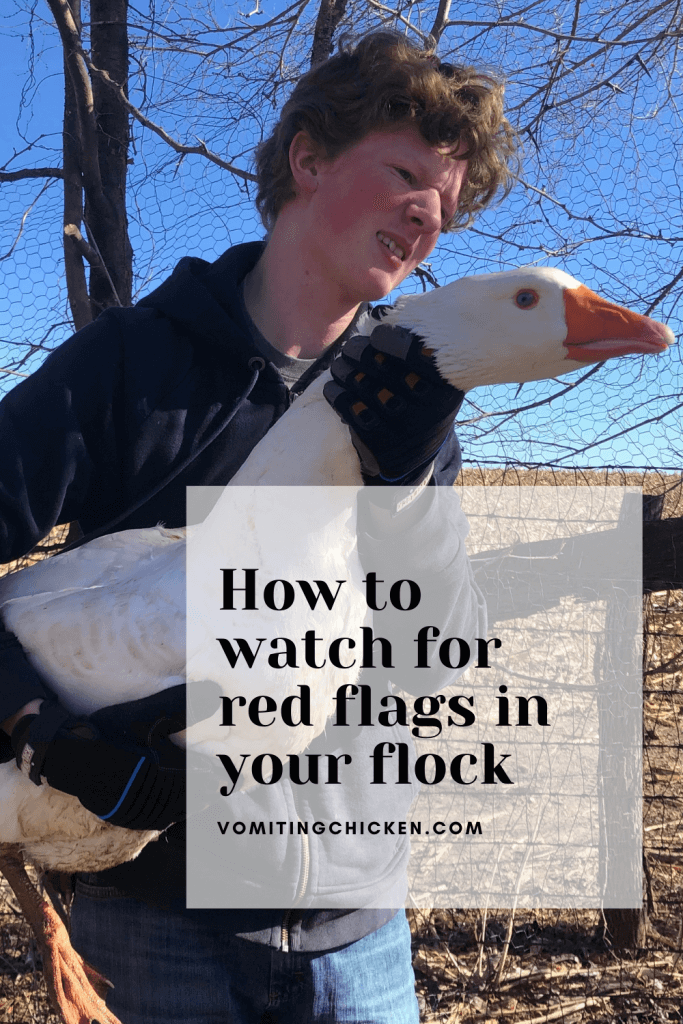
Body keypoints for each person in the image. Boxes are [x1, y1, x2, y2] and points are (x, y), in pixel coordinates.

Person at [0, 30, 517, 1024]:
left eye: (445, 206)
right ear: (308, 157)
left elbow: (430, 653)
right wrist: (37, 722)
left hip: (356, 920)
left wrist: (405, 481)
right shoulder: (129, 365)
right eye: (406, 172)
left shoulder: (407, 396)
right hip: (154, 924)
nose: (427, 215)